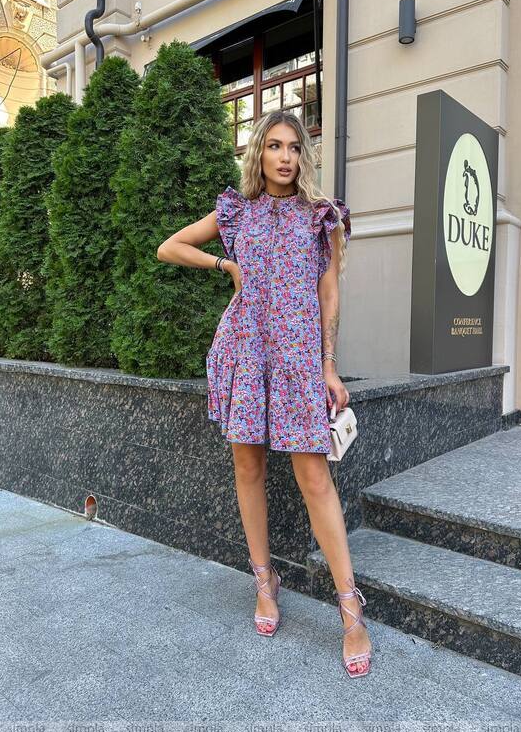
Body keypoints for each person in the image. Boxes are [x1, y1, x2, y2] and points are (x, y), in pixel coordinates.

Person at [157, 109, 372, 679]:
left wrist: (329, 365)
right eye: (274, 146)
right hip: (246, 352)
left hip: (300, 358)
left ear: (303, 156)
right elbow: (170, 247)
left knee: (314, 476)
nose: (284, 156)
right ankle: (264, 580)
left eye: (293, 147)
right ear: (259, 154)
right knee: (248, 468)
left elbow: (329, 295)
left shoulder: (319, 218)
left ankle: (350, 607)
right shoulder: (236, 212)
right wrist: (225, 263)